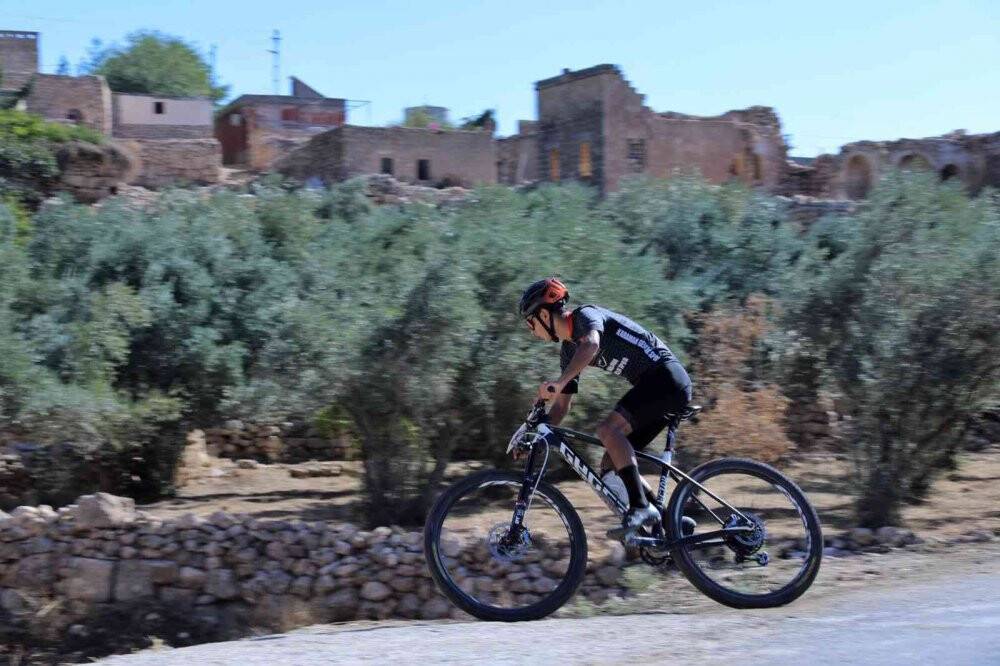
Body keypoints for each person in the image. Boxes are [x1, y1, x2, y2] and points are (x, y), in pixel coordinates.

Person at [518, 277, 693, 539]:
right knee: (611, 464)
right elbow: (561, 408)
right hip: (654, 387)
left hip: (666, 378)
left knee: (608, 430)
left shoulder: (585, 317)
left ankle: (641, 507)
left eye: (531, 323)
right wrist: (533, 433)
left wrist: (558, 382)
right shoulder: (568, 351)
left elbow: (592, 345)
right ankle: (670, 521)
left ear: (544, 314)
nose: (532, 331)